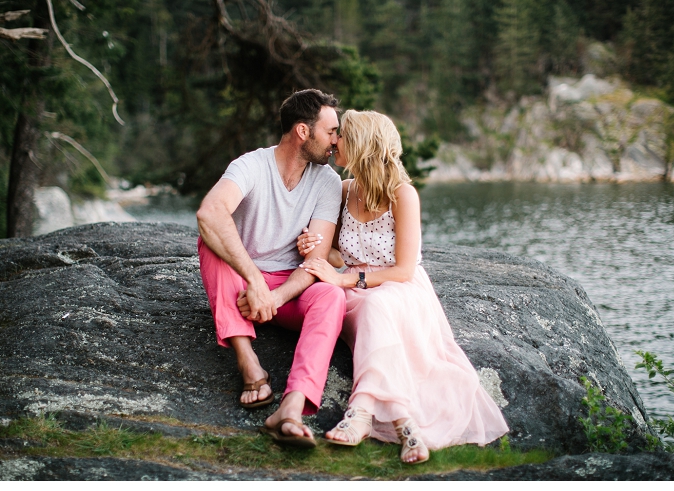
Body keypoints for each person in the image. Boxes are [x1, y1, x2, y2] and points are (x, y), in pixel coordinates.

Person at [297, 110, 509, 463]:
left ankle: (362, 412)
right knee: (369, 308)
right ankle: (405, 424)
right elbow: (337, 252)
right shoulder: (344, 190)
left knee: (379, 307)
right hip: (355, 292)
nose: (334, 142)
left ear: (363, 144)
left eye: (342, 136)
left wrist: (347, 278)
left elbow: (404, 269)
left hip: (399, 289)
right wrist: (313, 246)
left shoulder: (402, 194)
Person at [196, 89, 346, 449]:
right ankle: (250, 365)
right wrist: (253, 281)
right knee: (210, 242)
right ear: (302, 132)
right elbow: (209, 212)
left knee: (330, 295)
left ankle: (291, 408)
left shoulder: (327, 181)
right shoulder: (250, 166)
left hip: (287, 290)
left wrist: (274, 297)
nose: (336, 142)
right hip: (242, 285)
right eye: (331, 132)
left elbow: (317, 260)